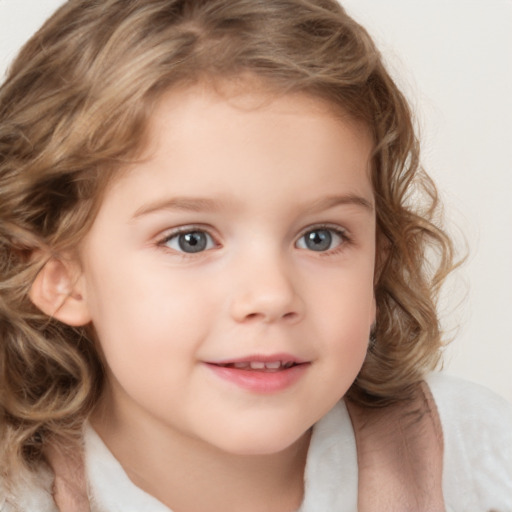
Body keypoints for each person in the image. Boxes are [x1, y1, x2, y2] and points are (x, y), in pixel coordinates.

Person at [0, 0, 510, 510]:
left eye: (321, 237)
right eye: (190, 239)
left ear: (378, 256)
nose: (271, 296)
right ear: (59, 274)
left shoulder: (475, 460)